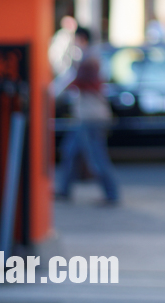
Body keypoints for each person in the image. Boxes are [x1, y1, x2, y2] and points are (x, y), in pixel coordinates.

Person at [54, 33, 119, 205]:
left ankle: (112, 194)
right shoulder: (88, 59)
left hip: (92, 117)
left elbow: (79, 82)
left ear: (82, 40)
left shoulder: (90, 60)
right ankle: (64, 190)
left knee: (97, 157)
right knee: (70, 151)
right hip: (85, 116)